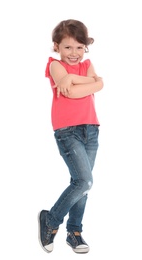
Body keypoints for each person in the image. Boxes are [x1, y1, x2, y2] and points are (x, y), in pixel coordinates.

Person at [38, 19, 103, 254]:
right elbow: (74, 93)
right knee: (84, 181)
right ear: (56, 46)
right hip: (67, 130)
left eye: (79, 47)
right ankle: (51, 220)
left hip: (91, 129)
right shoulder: (55, 66)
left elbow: (98, 86)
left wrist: (83, 80)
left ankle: (74, 232)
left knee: (82, 185)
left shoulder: (87, 64)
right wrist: (93, 81)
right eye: (67, 47)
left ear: (85, 47)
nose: (74, 53)